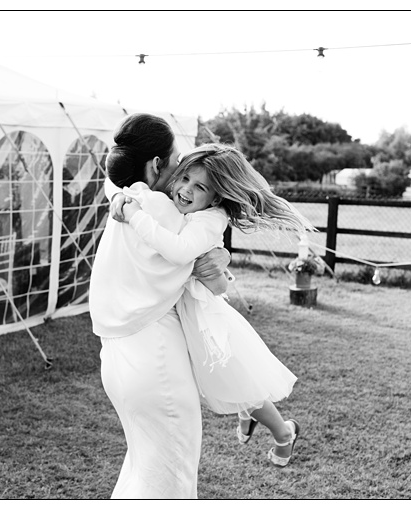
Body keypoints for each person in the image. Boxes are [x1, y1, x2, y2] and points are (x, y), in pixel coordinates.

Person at [112, 143, 309, 467]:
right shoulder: (186, 207)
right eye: (184, 177)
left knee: (235, 378)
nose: (186, 189)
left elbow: (177, 250)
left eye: (199, 186)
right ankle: (250, 415)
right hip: (180, 309)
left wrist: (132, 213)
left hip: (202, 314)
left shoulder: (210, 219)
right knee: (217, 380)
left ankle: (284, 434)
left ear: (216, 197)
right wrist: (120, 196)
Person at [89, 113, 230, 499]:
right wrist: (221, 254)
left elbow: (110, 181)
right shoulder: (166, 212)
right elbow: (206, 267)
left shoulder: (127, 194)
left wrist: (117, 195)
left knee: (142, 470)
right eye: (178, 160)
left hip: (116, 362)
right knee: (171, 477)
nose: (183, 172)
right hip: (155, 365)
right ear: (156, 165)